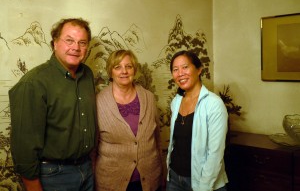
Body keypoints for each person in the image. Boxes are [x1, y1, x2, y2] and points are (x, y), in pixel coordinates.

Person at [9, 18, 97, 191]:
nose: (76, 47)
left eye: (82, 42)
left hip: (86, 170)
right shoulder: (34, 83)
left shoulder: (87, 74)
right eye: (69, 40)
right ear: (55, 43)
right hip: (53, 175)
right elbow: (24, 146)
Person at [95, 49, 163, 191]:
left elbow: (157, 138)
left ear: (134, 70)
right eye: (117, 67)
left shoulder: (149, 98)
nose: (124, 71)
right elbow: (93, 147)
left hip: (149, 180)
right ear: (110, 71)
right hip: (112, 182)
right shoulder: (98, 102)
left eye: (128, 66)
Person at [166, 50, 228, 191]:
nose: (180, 73)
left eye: (185, 67)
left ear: (199, 69)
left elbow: (215, 153)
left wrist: (204, 187)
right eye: (175, 70)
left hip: (204, 182)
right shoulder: (176, 101)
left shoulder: (214, 104)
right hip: (175, 178)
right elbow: (175, 142)